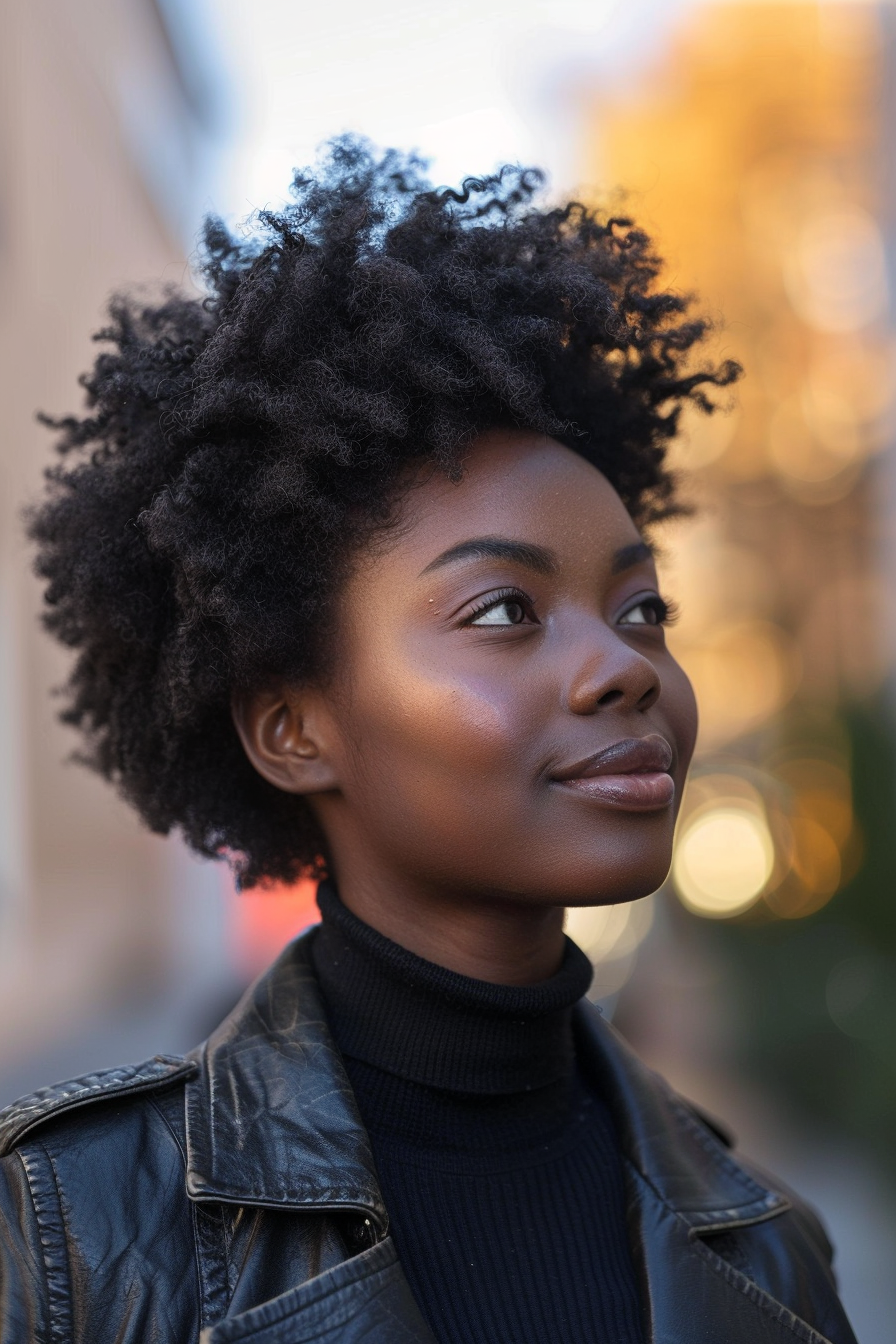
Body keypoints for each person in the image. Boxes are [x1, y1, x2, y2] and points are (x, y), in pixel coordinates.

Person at [0, 139, 857, 1344]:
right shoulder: (66, 1235)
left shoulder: (771, 1246)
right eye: (502, 611)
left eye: (641, 609)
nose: (623, 666)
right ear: (293, 730)